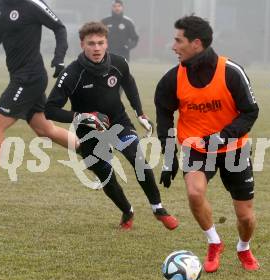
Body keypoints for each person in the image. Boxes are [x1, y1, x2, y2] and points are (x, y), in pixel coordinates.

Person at [45, 21, 179, 231]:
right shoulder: (71, 74)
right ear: (82, 45)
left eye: (100, 43)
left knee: (137, 158)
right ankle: (127, 211)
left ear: (106, 43)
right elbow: (50, 109)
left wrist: (140, 112)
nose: (96, 48)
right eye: (91, 44)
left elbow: (129, 83)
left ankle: (158, 208)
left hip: (118, 122)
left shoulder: (119, 63)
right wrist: (83, 116)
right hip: (89, 133)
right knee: (106, 175)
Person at [155, 15, 260, 272]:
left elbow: (250, 111)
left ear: (196, 43)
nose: (173, 46)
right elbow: (164, 119)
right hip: (196, 148)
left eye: (178, 40)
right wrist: (170, 158)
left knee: (245, 216)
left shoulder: (231, 72)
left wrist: (222, 137)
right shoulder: (171, 79)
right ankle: (214, 242)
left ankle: (243, 248)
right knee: (194, 192)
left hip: (233, 148)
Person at [0, 0, 78, 199]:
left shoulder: (33, 4)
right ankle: (95, 153)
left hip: (29, 78)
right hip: (21, 76)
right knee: (45, 130)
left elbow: (59, 28)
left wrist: (59, 58)